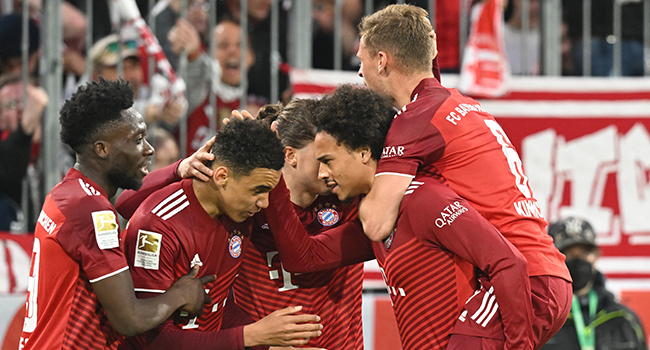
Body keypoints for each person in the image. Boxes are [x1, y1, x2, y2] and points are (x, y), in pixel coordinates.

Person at [355, 5, 572, 349]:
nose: (360, 74)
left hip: (520, 278)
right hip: (541, 271)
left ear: (382, 60)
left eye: (362, 61)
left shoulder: (416, 120)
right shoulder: (451, 103)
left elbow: (377, 223)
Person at [262, 85, 532, 350]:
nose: (323, 173)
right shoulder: (373, 219)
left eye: (329, 160)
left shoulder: (422, 199)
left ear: (363, 152)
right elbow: (305, 257)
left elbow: (509, 263)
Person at [19, 78, 215, 350]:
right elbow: (129, 319)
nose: (149, 149)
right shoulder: (91, 209)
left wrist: (178, 169)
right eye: (137, 139)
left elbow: (125, 203)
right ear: (102, 149)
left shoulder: (70, 194)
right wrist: (180, 295)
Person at [117, 118, 324, 349]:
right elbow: (154, 342)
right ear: (222, 176)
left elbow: (216, 307)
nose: (264, 203)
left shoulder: (239, 216)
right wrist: (251, 336)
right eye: (258, 190)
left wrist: (272, 346)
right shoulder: (157, 227)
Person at [231, 100, 369, 350]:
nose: (332, 167)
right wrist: (261, 343)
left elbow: (305, 257)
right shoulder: (247, 205)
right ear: (290, 155)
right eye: (322, 157)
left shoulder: (351, 198)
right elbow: (213, 294)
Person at [542, 217, 647, 350]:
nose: (578, 261)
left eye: (585, 253)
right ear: (551, 257)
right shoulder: (541, 322)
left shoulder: (624, 319)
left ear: (597, 255)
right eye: (568, 253)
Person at [0, 73, 47, 232]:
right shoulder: (4, 151)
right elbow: (10, 171)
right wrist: (25, 131)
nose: (21, 108)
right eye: (12, 104)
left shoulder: (62, 146)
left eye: (27, 102)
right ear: (1, 118)